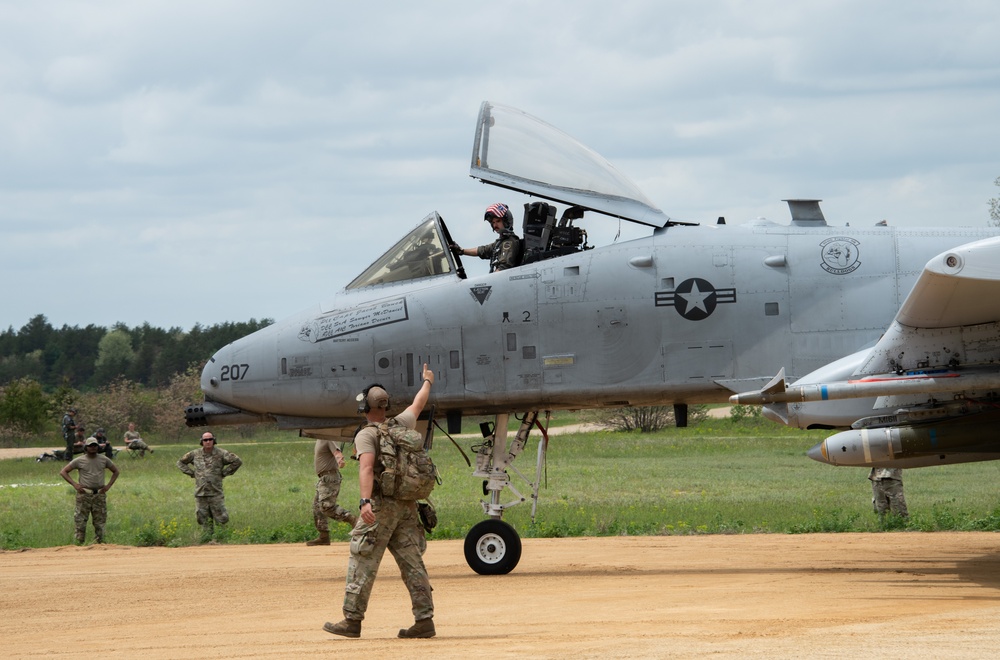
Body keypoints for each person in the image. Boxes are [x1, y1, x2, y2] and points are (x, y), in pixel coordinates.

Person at [323, 363, 436, 639]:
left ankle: (352, 621)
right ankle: (424, 621)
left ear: (365, 408)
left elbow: (366, 468)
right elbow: (418, 404)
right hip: (407, 506)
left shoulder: (366, 434)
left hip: (381, 506)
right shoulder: (400, 424)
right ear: (386, 406)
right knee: (412, 563)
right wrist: (428, 382)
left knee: (363, 559)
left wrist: (364, 502)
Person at [176, 432, 243, 541]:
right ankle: (206, 540)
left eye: (210, 439)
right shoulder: (195, 454)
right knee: (203, 518)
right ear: (201, 441)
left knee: (221, 517)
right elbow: (180, 463)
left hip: (215, 492)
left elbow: (237, 461)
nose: (208, 442)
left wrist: (225, 473)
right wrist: (192, 473)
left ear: (214, 440)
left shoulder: (221, 453)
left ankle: (222, 539)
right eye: (205, 440)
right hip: (201, 492)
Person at [59, 436, 120, 544]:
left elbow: (116, 471)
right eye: (90, 446)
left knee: (100, 522)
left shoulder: (104, 459)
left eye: (95, 446)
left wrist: (108, 486)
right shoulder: (79, 460)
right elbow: (63, 472)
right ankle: (79, 544)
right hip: (84, 495)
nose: (93, 448)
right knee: (80, 521)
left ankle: (100, 544)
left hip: (99, 495)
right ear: (86, 447)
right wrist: (75, 485)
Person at [306, 439, 357, 546]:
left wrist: (340, 460)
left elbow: (337, 452)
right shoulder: (320, 439)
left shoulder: (327, 438)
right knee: (317, 507)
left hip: (330, 477)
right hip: (324, 478)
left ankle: (353, 520)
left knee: (326, 506)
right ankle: (324, 536)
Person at [450, 202, 522, 272]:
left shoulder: (509, 242)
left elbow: (503, 268)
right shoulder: (500, 242)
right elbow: (483, 250)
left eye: (498, 221)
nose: (495, 225)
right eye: (493, 222)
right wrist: (462, 251)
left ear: (506, 221)